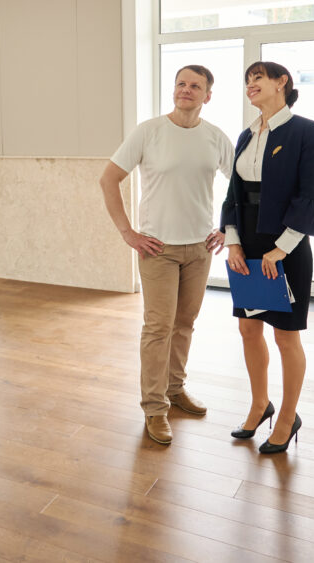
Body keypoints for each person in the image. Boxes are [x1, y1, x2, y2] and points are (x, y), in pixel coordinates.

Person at [100, 65, 234, 445]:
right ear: (173, 90)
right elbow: (108, 178)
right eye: (181, 84)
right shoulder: (150, 131)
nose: (186, 90)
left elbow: (240, 184)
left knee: (185, 323)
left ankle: (175, 389)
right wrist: (128, 232)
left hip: (200, 249)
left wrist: (226, 228)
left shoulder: (215, 138)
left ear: (207, 96)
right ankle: (154, 408)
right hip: (158, 249)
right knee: (158, 327)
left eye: (195, 86)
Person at [221, 61, 314, 454]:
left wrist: (282, 247)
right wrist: (232, 240)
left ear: (282, 82)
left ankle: (287, 415)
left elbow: (311, 194)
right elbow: (234, 193)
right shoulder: (246, 134)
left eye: (258, 78)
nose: (251, 84)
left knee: (286, 335)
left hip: (286, 246)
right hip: (246, 246)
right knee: (248, 329)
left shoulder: (306, 131)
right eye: (247, 79)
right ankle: (258, 404)